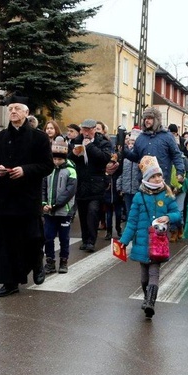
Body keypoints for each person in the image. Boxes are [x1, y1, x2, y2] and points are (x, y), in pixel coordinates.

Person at [0, 99, 54, 297]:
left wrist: (25, 170)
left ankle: (37, 263)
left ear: (26, 112)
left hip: (28, 196)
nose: (13, 111)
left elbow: (47, 166)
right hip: (5, 197)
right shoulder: (0, 138)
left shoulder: (39, 138)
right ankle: (10, 282)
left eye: (17, 108)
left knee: (32, 238)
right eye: (10, 109)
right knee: (6, 241)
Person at [118, 156, 182, 319]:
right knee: (144, 276)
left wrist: (168, 217)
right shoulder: (139, 197)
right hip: (141, 242)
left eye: (159, 175)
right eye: (153, 176)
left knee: (154, 272)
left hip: (158, 243)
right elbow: (132, 221)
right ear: (146, 178)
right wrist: (123, 242)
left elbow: (177, 214)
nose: (158, 178)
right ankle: (147, 296)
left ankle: (150, 303)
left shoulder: (167, 195)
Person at [69, 118, 112, 253]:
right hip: (81, 183)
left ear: (94, 130)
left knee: (93, 212)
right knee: (82, 213)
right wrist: (74, 154)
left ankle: (91, 241)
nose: (85, 133)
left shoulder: (102, 142)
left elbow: (105, 158)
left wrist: (90, 146)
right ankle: (85, 239)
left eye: (88, 130)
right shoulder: (76, 142)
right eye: (83, 130)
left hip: (96, 184)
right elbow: (69, 159)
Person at [42, 137, 78, 275]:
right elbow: (43, 188)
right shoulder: (48, 169)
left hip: (64, 211)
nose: (56, 162)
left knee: (64, 237)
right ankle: (50, 261)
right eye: (54, 159)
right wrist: (44, 203)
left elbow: (70, 191)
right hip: (49, 211)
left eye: (59, 159)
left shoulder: (71, 170)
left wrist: (56, 205)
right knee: (48, 236)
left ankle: (64, 261)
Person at [123, 107, 185, 185]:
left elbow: (176, 155)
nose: (146, 121)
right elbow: (136, 157)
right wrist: (124, 151)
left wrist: (180, 172)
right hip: (144, 181)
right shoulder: (141, 137)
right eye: (145, 118)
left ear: (156, 120)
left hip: (162, 181)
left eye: (149, 118)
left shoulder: (167, 136)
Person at [116, 135, 141, 222]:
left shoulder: (138, 156)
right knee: (128, 210)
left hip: (137, 188)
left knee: (137, 211)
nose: (130, 145)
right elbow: (121, 172)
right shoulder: (124, 157)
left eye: (133, 143)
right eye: (129, 142)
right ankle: (128, 229)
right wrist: (119, 186)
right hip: (126, 189)